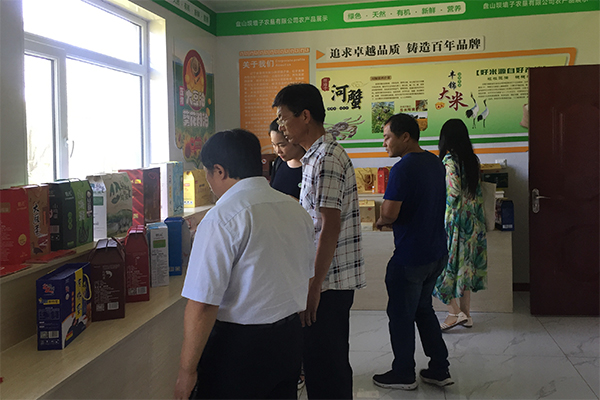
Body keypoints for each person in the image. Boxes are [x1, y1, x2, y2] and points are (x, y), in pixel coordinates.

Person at [173, 129, 316, 400]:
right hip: (289, 341)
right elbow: (306, 275)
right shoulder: (295, 210)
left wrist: (186, 371)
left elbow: (202, 305)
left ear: (219, 171)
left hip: (239, 349)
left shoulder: (221, 218)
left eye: (208, 174)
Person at [273, 83, 366, 399]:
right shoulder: (313, 157)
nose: (281, 126)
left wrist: (313, 288)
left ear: (305, 116)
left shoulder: (326, 158)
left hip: (328, 283)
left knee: (327, 366)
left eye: (284, 117)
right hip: (322, 278)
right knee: (320, 362)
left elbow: (329, 226)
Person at [372, 113, 452, 390]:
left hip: (410, 257)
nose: (384, 143)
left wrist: (380, 221)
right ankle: (439, 368)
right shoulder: (434, 162)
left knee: (401, 316)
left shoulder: (402, 169)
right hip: (436, 252)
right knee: (423, 309)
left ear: (405, 137)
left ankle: (403, 372)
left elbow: (389, 213)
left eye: (387, 137)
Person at [434, 119, 487, 330]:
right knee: (465, 271)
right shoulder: (472, 160)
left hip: (454, 224)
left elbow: (453, 192)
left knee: (440, 271)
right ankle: (467, 315)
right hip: (474, 225)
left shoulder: (449, 160)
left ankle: (454, 312)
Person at [269, 119, 305, 200]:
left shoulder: (311, 166)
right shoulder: (279, 162)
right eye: (274, 145)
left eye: (282, 145)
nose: (277, 150)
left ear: (296, 140)